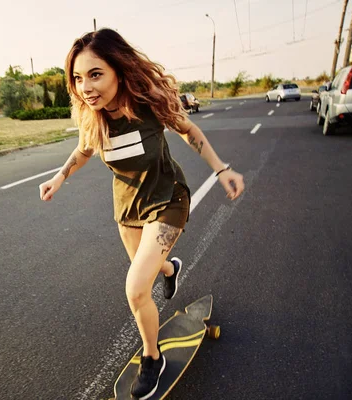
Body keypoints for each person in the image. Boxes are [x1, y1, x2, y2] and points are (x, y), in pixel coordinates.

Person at [38, 28, 244, 399]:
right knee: (147, 274)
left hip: (168, 201)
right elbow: (84, 150)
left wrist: (221, 168)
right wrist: (59, 177)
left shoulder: (147, 105)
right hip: (127, 209)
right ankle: (171, 268)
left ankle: (153, 357)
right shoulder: (92, 116)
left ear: (118, 70)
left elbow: (189, 130)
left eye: (95, 74)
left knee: (135, 290)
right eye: (78, 78)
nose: (86, 86)